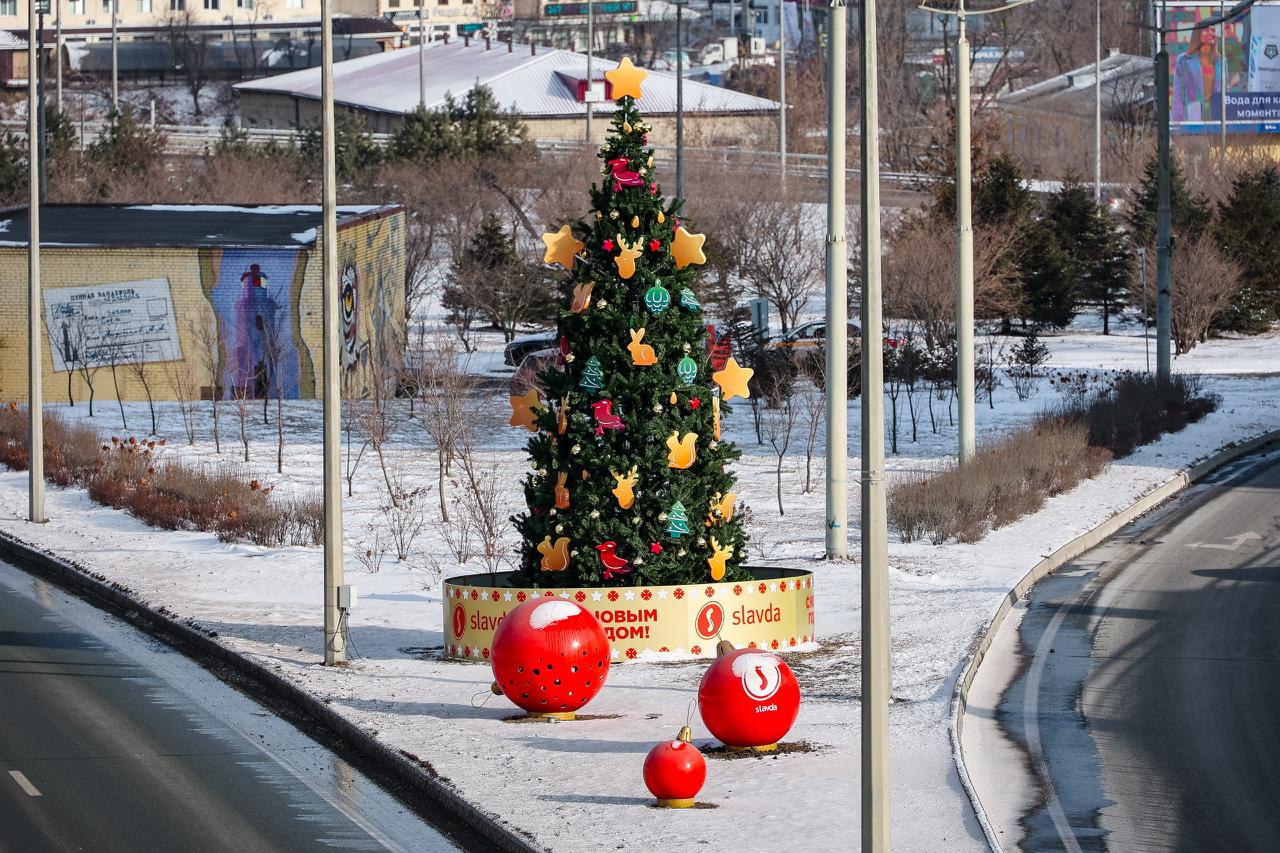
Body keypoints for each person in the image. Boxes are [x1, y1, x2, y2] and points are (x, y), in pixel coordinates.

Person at [1173, 24, 1220, 123]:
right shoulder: (1184, 60)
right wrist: (1178, 122)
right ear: (1197, 35)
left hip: (1216, 116)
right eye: (1206, 30)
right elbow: (1178, 94)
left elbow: (1225, 93)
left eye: (1212, 30)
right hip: (1193, 115)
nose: (1210, 33)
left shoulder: (1221, 62)